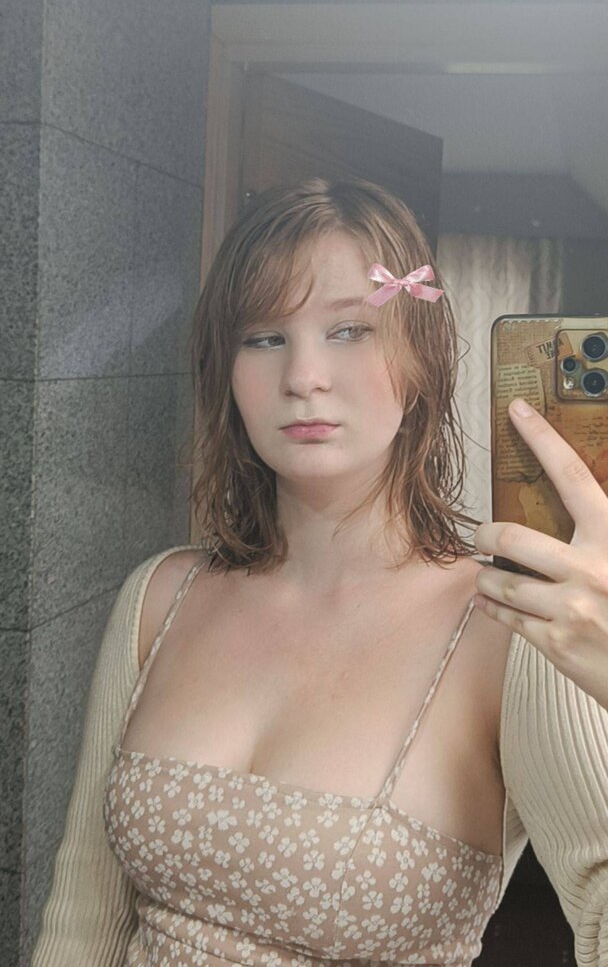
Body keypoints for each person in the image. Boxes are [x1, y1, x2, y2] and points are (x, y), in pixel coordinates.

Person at [32, 178, 608, 967]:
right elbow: (81, 920)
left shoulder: (511, 622)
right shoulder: (160, 596)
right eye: (264, 338)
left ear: (421, 357)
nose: (304, 376)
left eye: (348, 330)